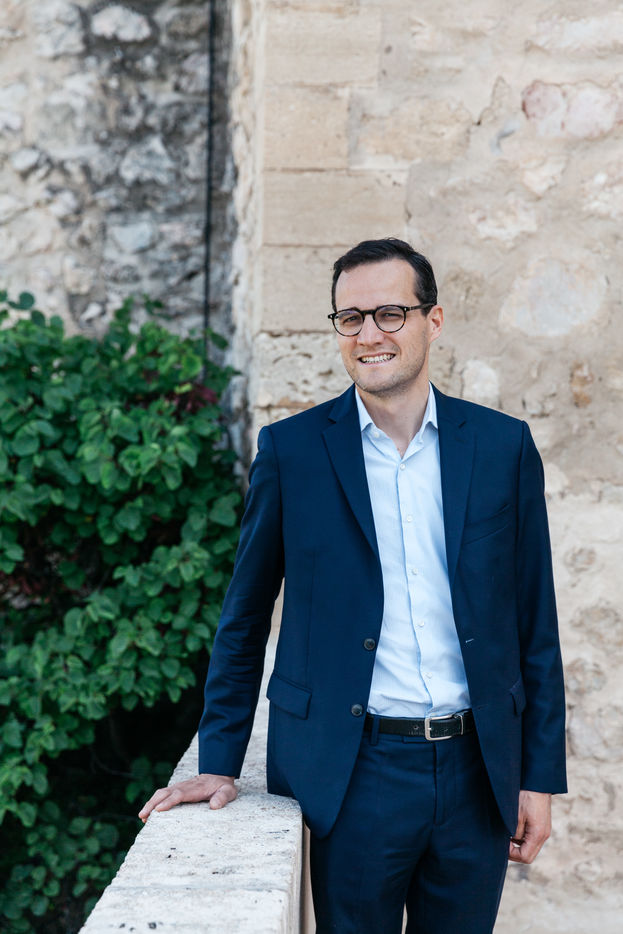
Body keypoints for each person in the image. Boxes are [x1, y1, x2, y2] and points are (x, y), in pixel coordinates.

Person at [140, 238, 567, 933]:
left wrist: (537, 776)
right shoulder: (292, 451)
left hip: (478, 771)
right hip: (352, 772)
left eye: (390, 313)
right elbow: (245, 616)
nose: (369, 335)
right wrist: (219, 761)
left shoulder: (502, 446)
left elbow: (534, 623)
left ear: (433, 320)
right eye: (350, 318)